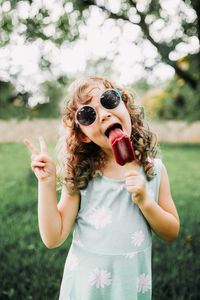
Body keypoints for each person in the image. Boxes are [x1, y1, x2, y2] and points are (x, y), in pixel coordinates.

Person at [25, 75, 179, 300]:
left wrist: (146, 202)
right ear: (82, 135)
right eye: (88, 114)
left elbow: (171, 231)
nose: (104, 113)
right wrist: (47, 183)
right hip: (86, 287)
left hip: (130, 284)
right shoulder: (81, 176)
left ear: (125, 106)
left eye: (109, 100)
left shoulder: (154, 171)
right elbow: (53, 237)